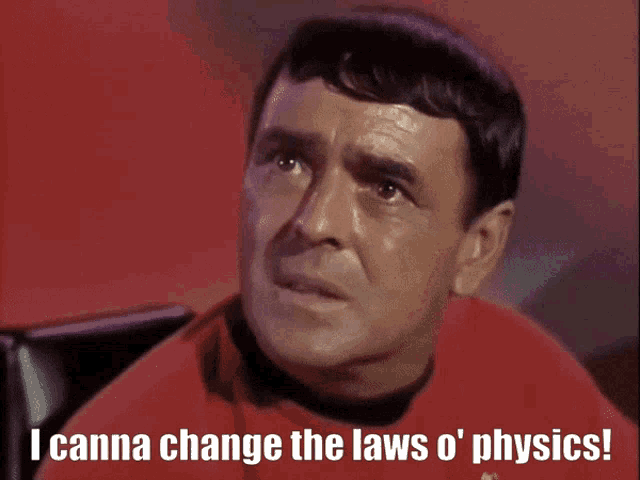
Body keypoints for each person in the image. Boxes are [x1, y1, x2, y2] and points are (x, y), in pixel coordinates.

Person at [37, 8, 637, 479]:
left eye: (386, 188)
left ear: (477, 247)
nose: (313, 221)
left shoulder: (521, 369)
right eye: (287, 162)